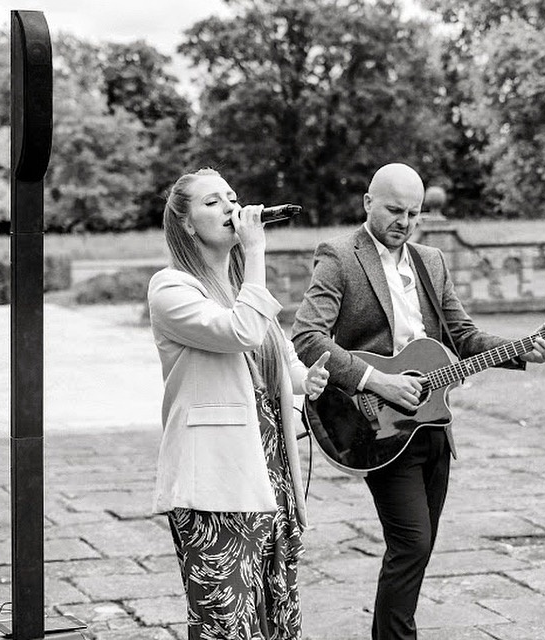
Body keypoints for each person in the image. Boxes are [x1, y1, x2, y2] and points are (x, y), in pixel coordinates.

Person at [291, 162, 545, 640]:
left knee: (418, 546)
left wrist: (524, 348)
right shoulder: (338, 255)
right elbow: (308, 336)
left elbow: (463, 336)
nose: (405, 222)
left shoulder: (430, 260)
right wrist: (376, 380)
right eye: (395, 210)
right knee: (411, 544)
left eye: (413, 214)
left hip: (431, 425)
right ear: (368, 202)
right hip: (373, 425)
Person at [147, 168, 330, 640]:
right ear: (186, 224)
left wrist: (308, 379)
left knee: (277, 622)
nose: (231, 207)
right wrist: (256, 252)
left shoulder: (242, 288)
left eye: (231, 196)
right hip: (216, 482)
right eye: (212, 202)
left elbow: (280, 361)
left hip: (272, 473)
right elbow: (240, 332)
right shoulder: (171, 288)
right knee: (225, 628)